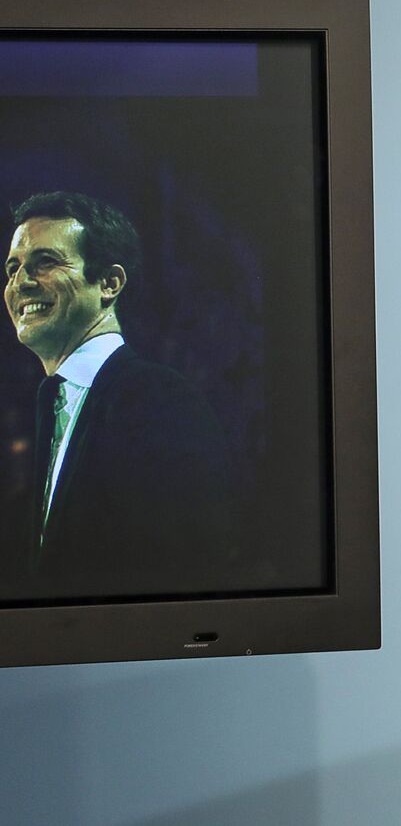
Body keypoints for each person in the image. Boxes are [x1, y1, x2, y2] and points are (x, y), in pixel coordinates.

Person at [1, 191, 238, 600]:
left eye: (45, 262)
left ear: (109, 284)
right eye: (13, 268)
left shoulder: (159, 399)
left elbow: (186, 567)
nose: (19, 282)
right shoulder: (54, 402)